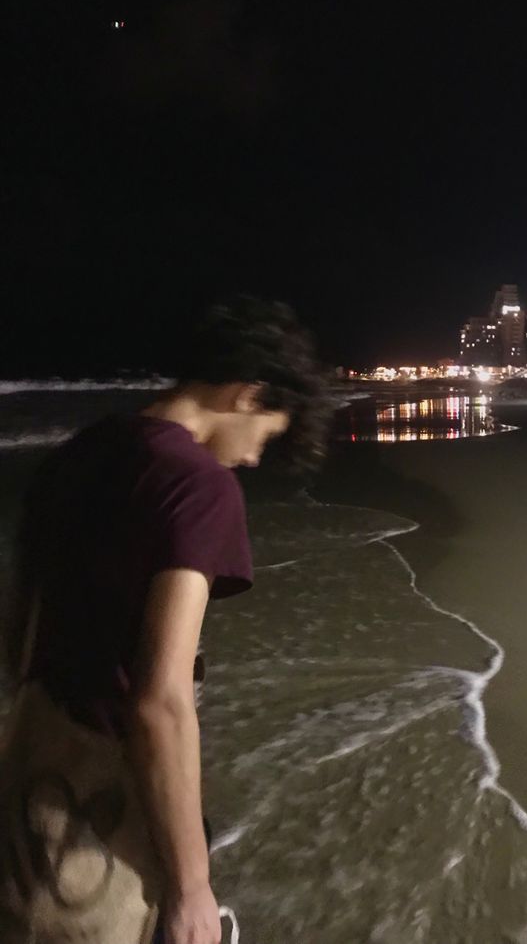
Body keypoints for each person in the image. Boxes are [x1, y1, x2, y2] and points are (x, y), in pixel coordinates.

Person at [0, 295, 328, 944]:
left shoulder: (75, 456)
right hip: (98, 825)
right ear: (247, 391)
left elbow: (19, 637)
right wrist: (191, 886)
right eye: (265, 434)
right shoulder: (198, 485)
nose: (254, 459)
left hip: (25, 804)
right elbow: (160, 700)